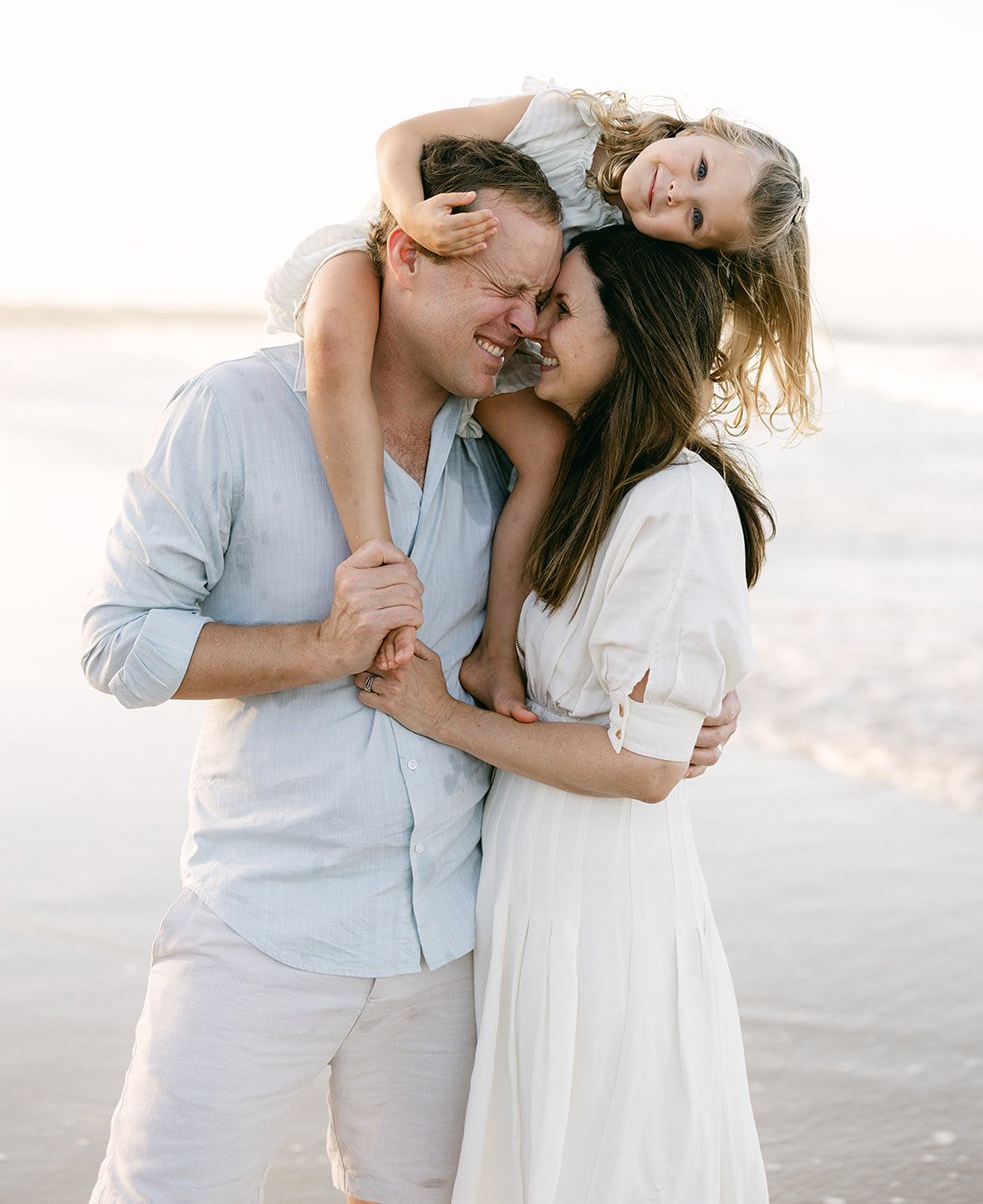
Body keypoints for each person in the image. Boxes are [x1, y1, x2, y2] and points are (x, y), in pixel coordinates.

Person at [81, 140, 737, 1204]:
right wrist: (322, 647)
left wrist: (694, 707)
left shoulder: (512, 448)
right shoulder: (234, 412)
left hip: (451, 939)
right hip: (262, 928)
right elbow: (117, 640)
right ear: (407, 253)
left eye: (540, 299)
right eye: (502, 288)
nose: (524, 323)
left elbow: (624, 623)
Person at [358, 224, 774, 1203]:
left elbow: (642, 767)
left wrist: (443, 716)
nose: (534, 327)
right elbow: (462, 359)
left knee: (601, 1155)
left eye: (559, 307)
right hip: (533, 883)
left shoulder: (678, 502)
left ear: (629, 337)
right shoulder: (586, 473)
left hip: (603, 906)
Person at [265, 76, 814, 677]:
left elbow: (665, 337)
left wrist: (701, 689)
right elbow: (402, 138)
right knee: (338, 336)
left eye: (698, 217)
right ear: (704, 128)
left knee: (548, 454)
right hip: (396, 245)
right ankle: (376, 563)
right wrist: (412, 214)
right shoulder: (566, 124)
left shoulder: (630, 237)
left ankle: (496, 654)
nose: (676, 193)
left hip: (495, 323)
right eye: (702, 168)